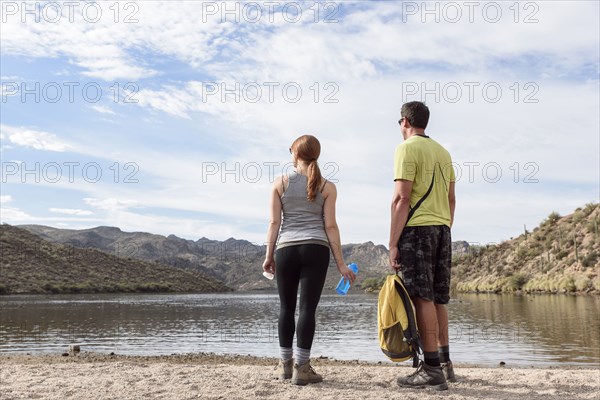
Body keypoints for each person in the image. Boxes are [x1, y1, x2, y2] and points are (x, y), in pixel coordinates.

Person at [263, 134, 356, 386]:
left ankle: (284, 367)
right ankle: (301, 369)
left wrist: (269, 255)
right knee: (307, 309)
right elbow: (331, 226)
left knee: (286, 308)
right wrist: (340, 263)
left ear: (295, 154)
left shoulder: (279, 183)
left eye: (290, 150)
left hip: (286, 249)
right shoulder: (327, 187)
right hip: (316, 249)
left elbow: (274, 223)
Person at [388, 102, 456, 391]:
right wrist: (444, 228)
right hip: (443, 229)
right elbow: (452, 199)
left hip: (417, 230)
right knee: (438, 298)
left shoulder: (406, 148)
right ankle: (444, 363)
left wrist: (392, 243)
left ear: (404, 121)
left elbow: (402, 199)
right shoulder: (444, 152)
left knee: (421, 298)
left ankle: (429, 369)